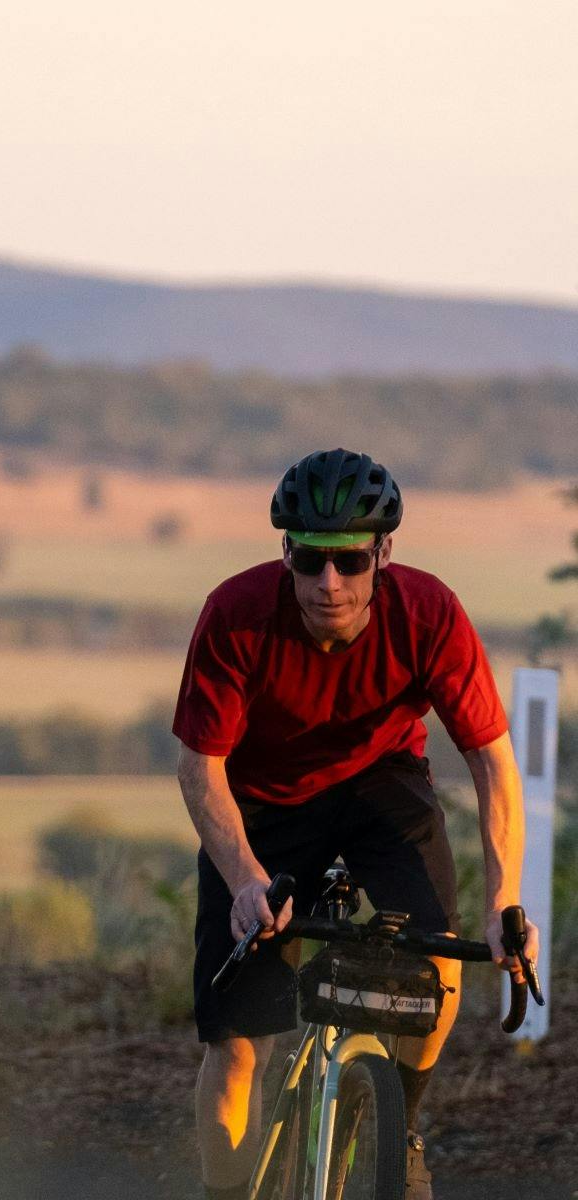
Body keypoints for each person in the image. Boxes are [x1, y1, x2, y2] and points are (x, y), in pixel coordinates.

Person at [173, 448, 539, 1200]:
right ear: (287, 553)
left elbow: (494, 763)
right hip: (264, 799)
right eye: (309, 561)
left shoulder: (429, 613)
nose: (328, 583)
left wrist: (505, 901)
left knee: (438, 966)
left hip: (381, 786)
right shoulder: (236, 615)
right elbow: (199, 768)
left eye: (348, 561)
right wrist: (244, 882)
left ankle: (400, 1122)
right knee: (240, 1047)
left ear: (384, 555)